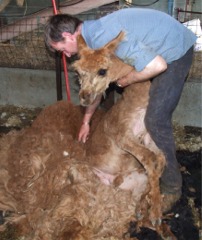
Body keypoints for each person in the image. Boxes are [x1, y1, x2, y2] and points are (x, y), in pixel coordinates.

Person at [44, 8, 197, 211]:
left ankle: (171, 188)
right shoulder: (91, 38)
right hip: (158, 47)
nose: (66, 55)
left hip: (175, 51)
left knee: (156, 119)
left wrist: (127, 80)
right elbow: (99, 82)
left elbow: (158, 66)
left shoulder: (102, 37)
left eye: (62, 49)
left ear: (68, 35)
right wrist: (86, 121)